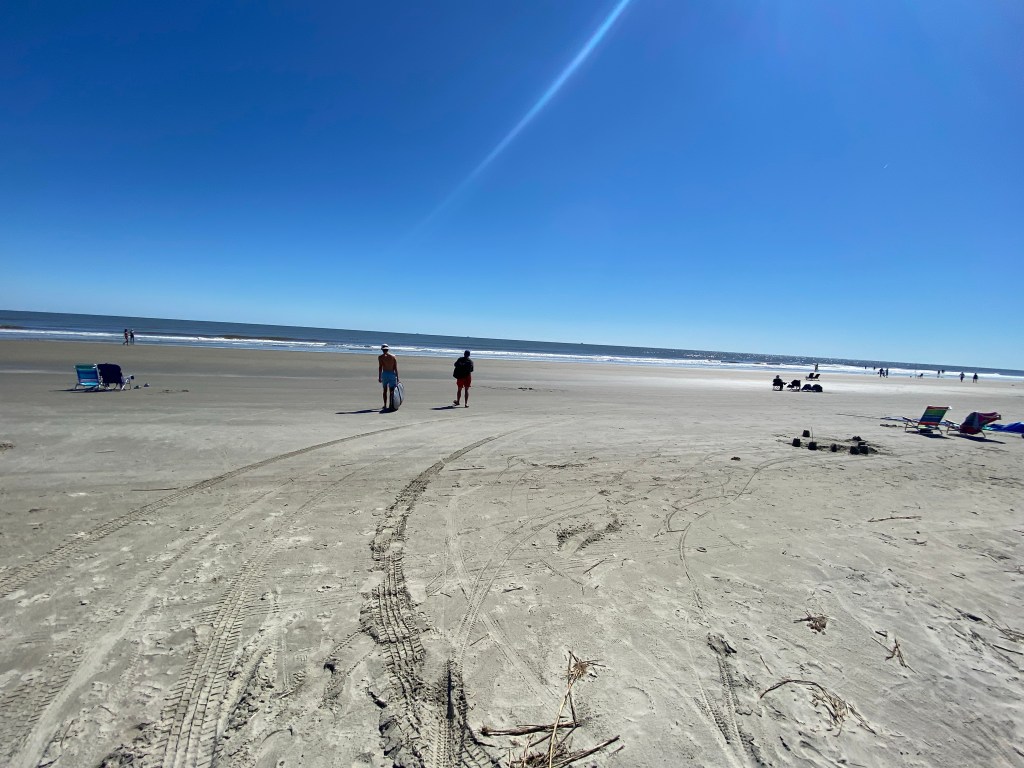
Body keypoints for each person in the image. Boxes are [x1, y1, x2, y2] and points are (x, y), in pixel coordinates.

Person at [377, 344, 399, 410]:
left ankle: (385, 405)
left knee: (385, 390)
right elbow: (395, 368)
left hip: (385, 374)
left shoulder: (380, 357)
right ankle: (391, 404)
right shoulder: (393, 357)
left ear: (382, 349)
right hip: (391, 374)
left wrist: (380, 377)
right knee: (392, 391)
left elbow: (380, 367)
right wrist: (397, 377)